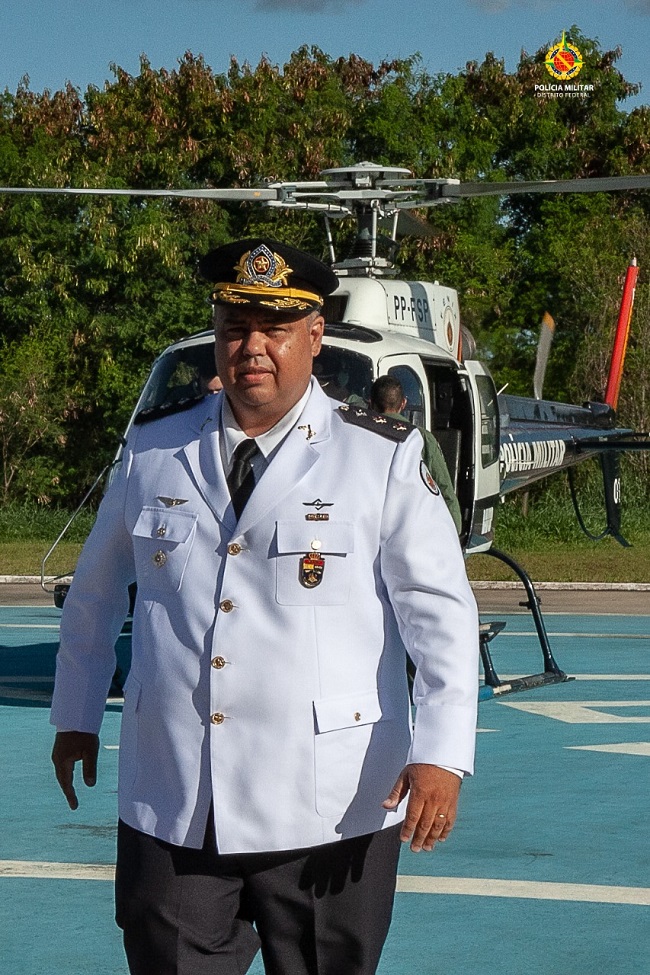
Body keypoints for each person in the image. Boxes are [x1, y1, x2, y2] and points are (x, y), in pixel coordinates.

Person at [51, 238, 479, 975]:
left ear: (315, 336)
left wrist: (440, 753)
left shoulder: (379, 457)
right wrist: (76, 715)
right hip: (177, 791)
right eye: (235, 327)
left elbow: (439, 615)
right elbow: (94, 594)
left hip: (328, 797)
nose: (252, 347)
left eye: (274, 328)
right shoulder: (153, 450)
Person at [369, 375, 463, 534]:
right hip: (407, 530)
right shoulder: (422, 438)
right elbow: (444, 488)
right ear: (403, 403)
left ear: (371, 403)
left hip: (368, 526)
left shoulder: (359, 434)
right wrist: (454, 532)